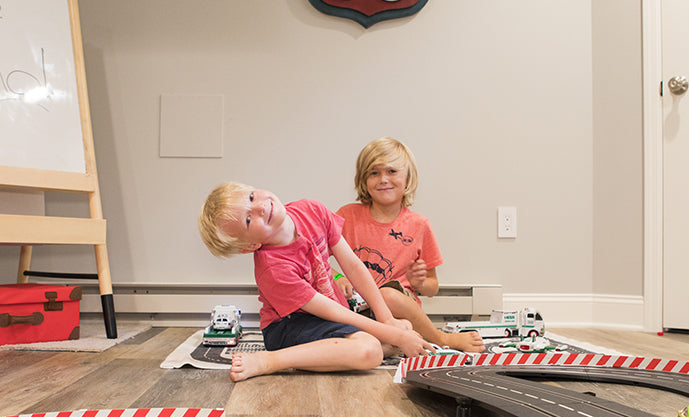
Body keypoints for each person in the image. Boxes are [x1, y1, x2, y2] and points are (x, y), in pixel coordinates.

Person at [198, 182, 433, 382]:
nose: (260, 206)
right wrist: (394, 335)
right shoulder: (273, 269)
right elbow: (333, 312)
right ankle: (270, 361)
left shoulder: (311, 210)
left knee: (400, 329)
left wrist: (387, 320)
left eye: (251, 197)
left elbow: (352, 266)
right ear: (250, 246)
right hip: (288, 326)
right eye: (248, 220)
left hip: (328, 316)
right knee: (370, 350)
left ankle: (335, 351)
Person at [335, 138, 485, 353]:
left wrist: (420, 283)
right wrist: (337, 277)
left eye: (392, 171)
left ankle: (441, 338)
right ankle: (394, 342)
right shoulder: (347, 216)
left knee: (386, 296)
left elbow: (432, 287)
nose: (383, 179)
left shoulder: (419, 225)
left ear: (408, 179)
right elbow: (313, 255)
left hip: (399, 305)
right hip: (362, 310)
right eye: (373, 173)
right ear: (363, 180)